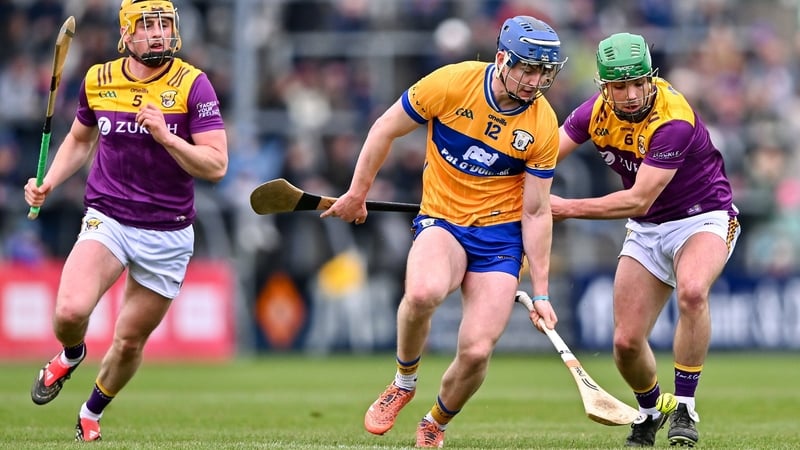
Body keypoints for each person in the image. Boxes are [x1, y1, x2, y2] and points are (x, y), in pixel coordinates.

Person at [320, 15, 564, 448]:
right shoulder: (451, 84)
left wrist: (541, 291)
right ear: (502, 59)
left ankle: (436, 421)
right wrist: (358, 193)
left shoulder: (543, 124)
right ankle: (403, 381)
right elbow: (384, 129)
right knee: (422, 293)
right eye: (526, 68)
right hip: (444, 221)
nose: (533, 80)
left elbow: (537, 210)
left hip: (501, 239)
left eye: (543, 71)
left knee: (475, 351)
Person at [25, 0, 227, 441]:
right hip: (109, 217)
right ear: (126, 34)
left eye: (165, 24)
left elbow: (215, 165)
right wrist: (50, 182)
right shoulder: (99, 79)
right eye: (147, 25)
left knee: (129, 341)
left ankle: (91, 412)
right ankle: (72, 353)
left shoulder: (194, 85)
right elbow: (81, 139)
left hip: (169, 230)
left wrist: (166, 136)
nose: (158, 33)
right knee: (70, 310)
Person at [552, 32, 740, 447]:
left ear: (650, 77)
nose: (632, 94)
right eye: (620, 86)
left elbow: (638, 199)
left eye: (638, 82)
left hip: (702, 217)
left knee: (692, 292)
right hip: (648, 229)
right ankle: (652, 411)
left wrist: (563, 208)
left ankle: (686, 408)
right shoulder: (593, 114)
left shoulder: (672, 119)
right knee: (625, 342)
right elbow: (545, 157)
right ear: (604, 87)